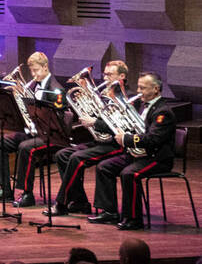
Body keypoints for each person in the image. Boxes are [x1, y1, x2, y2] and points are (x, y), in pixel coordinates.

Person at [90, 72, 175, 230]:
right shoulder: (144, 105)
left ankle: (134, 219)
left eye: (142, 88)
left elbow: (153, 139)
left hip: (157, 158)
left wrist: (127, 139)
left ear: (156, 89)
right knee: (104, 167)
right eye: (138, 87)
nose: (138, 91)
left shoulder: (163, 112)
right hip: (139, 155)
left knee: (129, 174)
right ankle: (109, 211)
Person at [46, 60, 129, 217]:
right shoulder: (105, 95)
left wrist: (95, 122)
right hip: (100, 141)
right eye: (104, 74)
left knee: (77, 158)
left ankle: (61, 202)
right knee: (62, 155)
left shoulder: (127, 97)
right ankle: (79, 202)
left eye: (109, 75)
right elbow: (99, 117)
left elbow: (122, 125)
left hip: (116, 145)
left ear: (122, 76)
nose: (104, 78)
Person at [0, 51, 65, 207]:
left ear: (45, 67)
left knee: (25, 148)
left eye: (36, 70)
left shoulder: (56, 89)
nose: (33, 74)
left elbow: (58, 120)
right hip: (33, 133)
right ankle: (4, 189)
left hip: (50, 136)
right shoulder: (34, 86)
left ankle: (27, 194)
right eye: (31, 71)